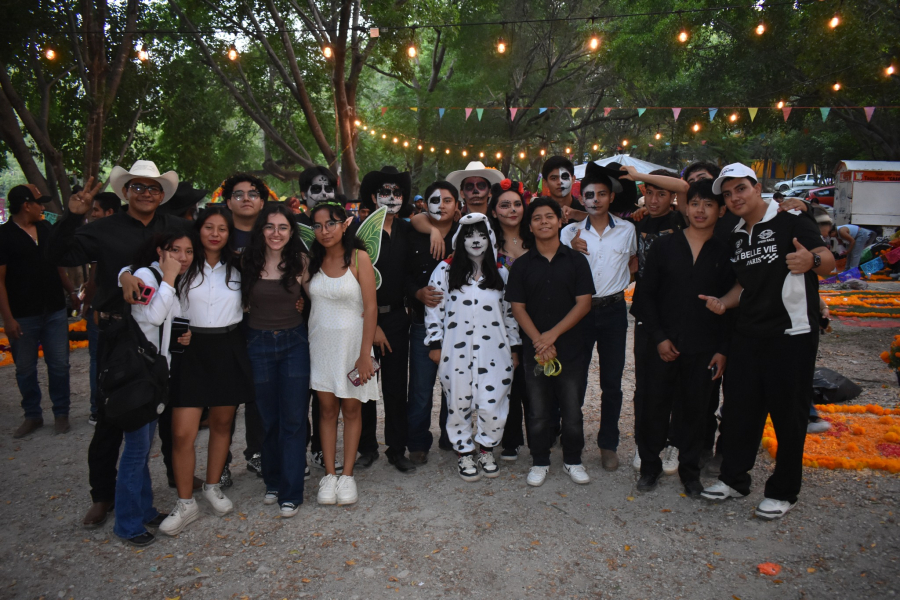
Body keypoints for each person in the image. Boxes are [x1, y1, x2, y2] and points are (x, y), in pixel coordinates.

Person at [45, 160, 191, 529]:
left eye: (153, 188)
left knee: (165, 412)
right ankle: (103, 495)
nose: (146, 193)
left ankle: (176, 481)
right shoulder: (103, 228)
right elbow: (58, 255)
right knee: (113, 416)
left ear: (162, 194)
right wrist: (71, 217)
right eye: (138, 187)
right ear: (125, 191)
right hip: (117, 335)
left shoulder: (172, 228)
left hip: (160, 333)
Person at [699, 163, 835, 520]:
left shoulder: (792, 219)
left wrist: (812, 259)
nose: (734, 198)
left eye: (740, 189)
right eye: (727, 194)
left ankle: (783, 492)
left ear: (757, 187)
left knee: (788, 416)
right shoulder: (738, 234)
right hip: (748, 333)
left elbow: (829, 262)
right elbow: (746, 285)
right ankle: (733, 479)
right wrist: (722, 303)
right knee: (741, 411)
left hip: (791, 334)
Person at [635, 180, 733, 498]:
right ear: (685, 207)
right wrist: (660, 338)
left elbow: (731, 305)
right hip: (662, 344)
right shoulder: (665, 246)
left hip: (703, 347)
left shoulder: (725, 251)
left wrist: (722, 349)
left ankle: (690, 472)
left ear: (720, 210)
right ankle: (649, 466)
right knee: (654, 406)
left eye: (708, 204)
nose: (700, 210)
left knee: (695, 410)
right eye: (695, 203)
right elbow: (645, 297)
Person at [159, 207, 252, 535]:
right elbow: (141, 270)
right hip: (191, 350)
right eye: (209, 227)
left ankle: (213, 485)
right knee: (182, 432)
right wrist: (125, 275)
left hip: (228, 347)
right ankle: (186, 503)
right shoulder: (183, 264)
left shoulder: (239, 266)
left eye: (222, 229)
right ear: (198, 230)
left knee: (222, 423)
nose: (215, 233)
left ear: (229, 234)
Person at [506, 197, 595, 487]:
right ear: (529, 226)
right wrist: (539, 342)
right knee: (538, 410)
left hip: (569, 348)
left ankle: (573, 460)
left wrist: (551, 336)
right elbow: (517, 307)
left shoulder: (576, 261)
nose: (544, 222)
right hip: (535, 350)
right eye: (537, 218)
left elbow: (583, 304)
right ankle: (540, 460)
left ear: (560, 221)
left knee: (571, 409)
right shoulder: (521, 266)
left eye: (549, 217)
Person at [425, 213, 521, 481]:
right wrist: (434, 343)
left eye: (481, 235)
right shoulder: (444, 270)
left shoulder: (501, 272)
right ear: (459, 239)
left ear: (490, 238)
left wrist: (514, 348)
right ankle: (464, 452)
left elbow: (511, 314)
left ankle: (487, 447)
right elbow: (434, 310)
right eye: (469, 235)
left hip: (496, 351)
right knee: (458, 401)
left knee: (493, 403)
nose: (476, 241)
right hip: (456, 350)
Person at [115, 231, 194, 546]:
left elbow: (167, 322)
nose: (183, 257)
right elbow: (152, 314)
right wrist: (170, 278)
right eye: (176, 250)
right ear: (161, 251)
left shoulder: (165, 277)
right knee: (135, 452)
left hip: (156, 376)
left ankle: (144, 509)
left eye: (188, 251)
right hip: (138, 377)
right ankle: (127, 523)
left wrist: (181, 336)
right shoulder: (147, 276)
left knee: (143, 447)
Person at [560, 163, 637, 472]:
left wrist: (620, 284)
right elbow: (559, 271)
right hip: (580, 313)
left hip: (614, 311)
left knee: (612, 382)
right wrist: (571, 250)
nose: (595, 200)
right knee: (575, 381)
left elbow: (634, 263)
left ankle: (608, 444)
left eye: (601, 194)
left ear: (610, 198)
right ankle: (573, 443)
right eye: (589, 195)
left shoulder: (627, 230)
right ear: (583, 199)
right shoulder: (569, 233)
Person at [304, 202, 379, 506]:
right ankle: (329, 474)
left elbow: (371, 307)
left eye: (331, 223)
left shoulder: (359, 258)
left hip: (353, 345)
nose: (325, 231)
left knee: (351, 410)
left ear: (344, 224)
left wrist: (364, 354)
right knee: (325, 410)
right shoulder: (311, 261)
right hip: (320, 344)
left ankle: (347, 475)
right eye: (318, 225)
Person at [242, 204, 311, 518]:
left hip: (294, 344)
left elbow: (320, 297)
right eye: (270, 227)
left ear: (291, 232)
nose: (276, 233)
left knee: (294, 421)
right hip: (257, 344)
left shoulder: (301, 263)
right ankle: (272, 480)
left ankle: (291, 491)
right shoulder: (245, 263)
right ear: (261, 230)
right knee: (268, 420)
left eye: (283, 227)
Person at [0, 184, 77, 438]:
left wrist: (72, 294)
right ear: (26, 205)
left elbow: (57, 267)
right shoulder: (4, 235)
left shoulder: (46, 229)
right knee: (24, 367)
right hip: (22, 315)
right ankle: (32, 415)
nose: (42, 208)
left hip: (54, 309)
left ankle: (61, 413)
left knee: (59, 365)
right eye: (38, 203)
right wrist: (8, 318)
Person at [622, 168, 685, 474]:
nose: (655, 199)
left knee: (676, 382)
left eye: (661, 193)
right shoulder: (639, 222)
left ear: (672, 196)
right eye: (649, 192)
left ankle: (673, 442)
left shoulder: (682, 220)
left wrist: (637, 173)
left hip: (680, 308)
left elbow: (685, 186)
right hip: (647, 310)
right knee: (645, 384)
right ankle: (645, 442)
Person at [356, 166, 415, 472]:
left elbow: (408, 275)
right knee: (365, 386)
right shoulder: (359, 232)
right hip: (365, 321)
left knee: (395, 386)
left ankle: (396, 447)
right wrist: (372, 322)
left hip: (397, 320)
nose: (391, 198)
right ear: (373, 196)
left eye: (397, 193)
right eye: (385, 193)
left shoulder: (409, 230)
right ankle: (366, 447)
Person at [220, 173, 270, 485]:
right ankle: (220, 462)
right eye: (238, 194)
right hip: (222, 329)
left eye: (253, 193)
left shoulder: (273, 234)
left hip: (262, 326)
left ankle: (257, 453)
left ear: (262, 201)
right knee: (223, 397)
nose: (246, 198)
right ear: (228, 202)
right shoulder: (217, 235)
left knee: (259, 392)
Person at [405, 181, 459, 462]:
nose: (442, 205)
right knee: (421, 388)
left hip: (460, 325)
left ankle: (451, 436)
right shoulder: (414, 232)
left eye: (448, 200)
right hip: (421, 323)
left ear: (457, 204)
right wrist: (417, 292)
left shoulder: (467, 232)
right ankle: (417, 443)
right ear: (425, 204)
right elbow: (402, 273)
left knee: (455, 385)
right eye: (436, 200)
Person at [487, 179, 530, 461]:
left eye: (517, 204)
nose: (512, 210)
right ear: (494, 211)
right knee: (507, 381)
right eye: (505, 205)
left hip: (537, 320)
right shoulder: (486, 243)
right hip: (500, 324)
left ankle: (545, 433)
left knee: (536, 380)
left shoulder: (538, 235)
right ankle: (510, 439)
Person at [82, 192, 121, 426]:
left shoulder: (108, 237)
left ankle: (102, 407)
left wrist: (91, 305)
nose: (92, 214)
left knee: (102, 359)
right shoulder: (97, 235)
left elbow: (95, 279)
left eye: (95, 210)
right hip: (101, 309)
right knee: (99, 359)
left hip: (110, 310)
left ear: (109, 212)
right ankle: (99, 407)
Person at [541, 156, 586, 222]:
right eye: (554, 178)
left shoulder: (586, 211)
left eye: (564, 177)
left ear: (573, 179)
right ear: (545, 183)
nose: (559, 182)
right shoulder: (539, 212)